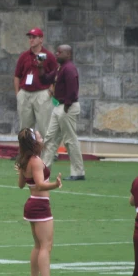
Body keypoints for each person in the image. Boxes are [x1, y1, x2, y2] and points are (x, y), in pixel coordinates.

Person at [15, 127, 63, 276]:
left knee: (38, 245)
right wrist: (55, 184)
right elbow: (41, 185)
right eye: (40, 137)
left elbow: (21, 184)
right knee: (46, 246)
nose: (42, 139)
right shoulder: (34, 160)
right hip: (40, 205)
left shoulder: (24, 160)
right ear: (33, 142)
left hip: (31, 204)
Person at [40, 45, 86, 181]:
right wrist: (40, 67)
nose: (56, 53)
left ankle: (78, 172)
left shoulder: (69, 69)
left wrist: (66, 105)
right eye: (57, 51)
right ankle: (44, 169)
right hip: (59, 106)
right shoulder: (60, 68)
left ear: (68, 55)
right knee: (50, 138)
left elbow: (73, 89)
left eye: (60, 52)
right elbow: (46, 79)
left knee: (70, 140)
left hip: (67, 107)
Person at [14, 28, 58, 138]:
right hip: (25, 93)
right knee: (25, 128)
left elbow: (56, 74)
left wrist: (52, 90)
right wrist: (18, 94)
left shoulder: (48, 55)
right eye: (30, 38)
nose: (31, 40)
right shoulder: (24, 56)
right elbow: (17, 76)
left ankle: (48, 154)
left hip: (42, 92)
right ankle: (26, 153)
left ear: (41, 39)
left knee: (45, 126)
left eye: (34, 37)